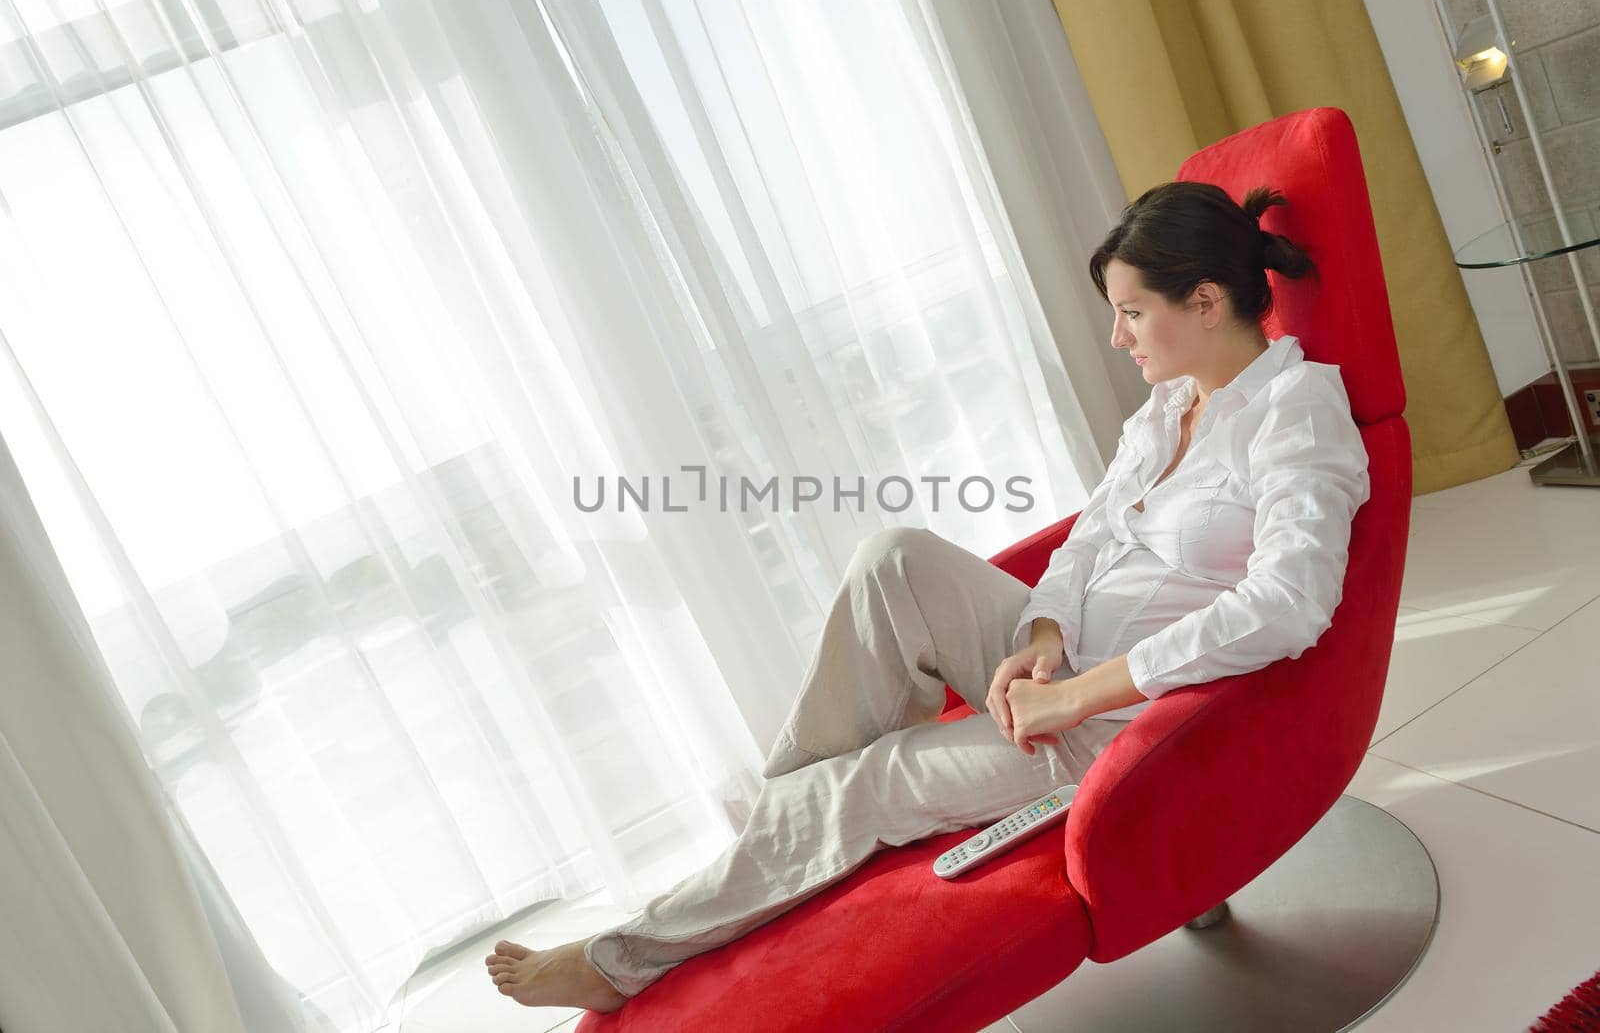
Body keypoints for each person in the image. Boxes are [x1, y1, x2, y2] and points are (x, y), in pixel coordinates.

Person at [483, 181, 1372, 1013]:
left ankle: (623, 958)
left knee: (872, 778)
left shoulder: (1296, 413)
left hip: (1121, 725)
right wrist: (1042, 633)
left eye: (1132, 312)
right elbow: (1091, 535)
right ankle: (793, 822)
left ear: (1207, 301)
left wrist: (1073, 695)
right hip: (1064, 671)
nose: (1118, 337)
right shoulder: (1170, 404)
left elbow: (1289, 603)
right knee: (892, 559)